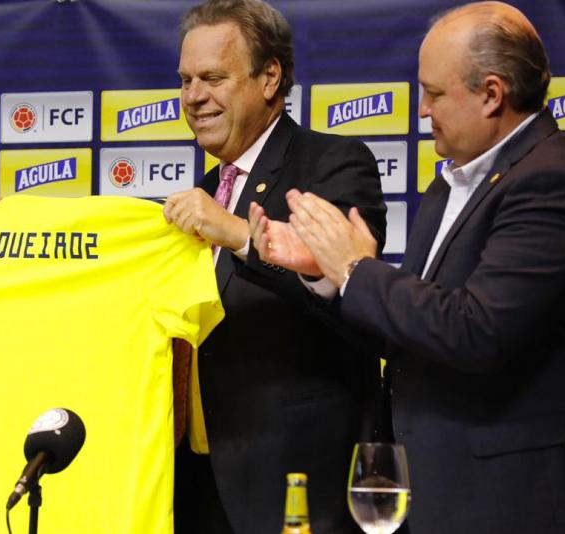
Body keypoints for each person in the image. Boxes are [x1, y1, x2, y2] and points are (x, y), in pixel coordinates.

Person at [250, 2, 565, 533]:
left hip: (511, 502)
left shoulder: (553, 184)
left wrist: (356, 269)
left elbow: (476, 331)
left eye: (434, 94)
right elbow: (412, 334)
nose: (421, 111)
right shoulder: (447, 187)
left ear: (492, 94)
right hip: (433, 494)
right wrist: (328, 274)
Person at [163, 1, 386, 532]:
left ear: (269, 78)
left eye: (213, 78)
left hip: (296, 478)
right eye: (186, 80)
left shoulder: (333, 163)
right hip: (198, 482)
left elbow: (351, 299)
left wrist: (239, 235)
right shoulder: (204, 190)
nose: (194, 97)